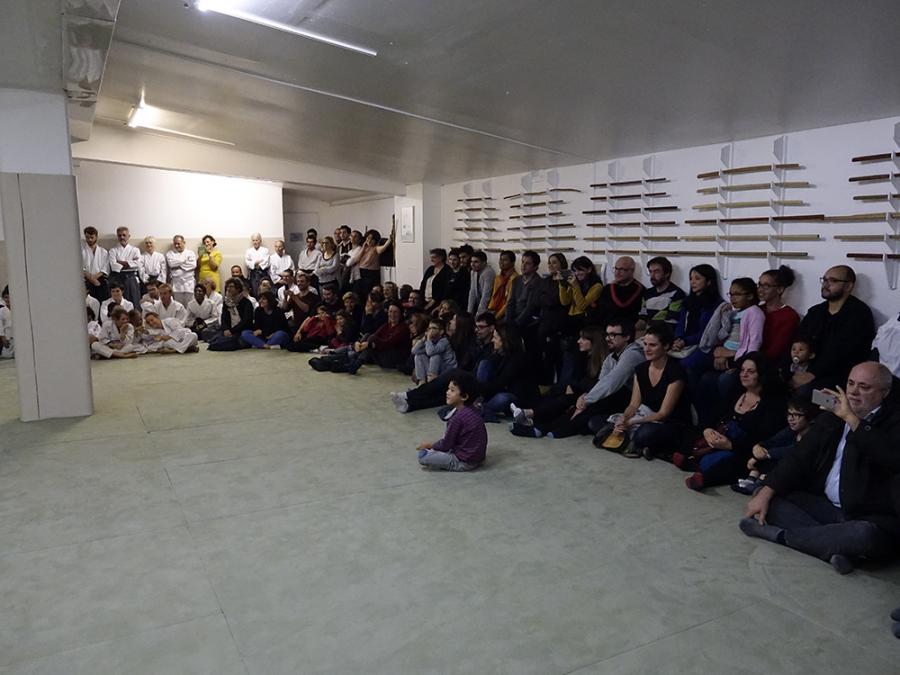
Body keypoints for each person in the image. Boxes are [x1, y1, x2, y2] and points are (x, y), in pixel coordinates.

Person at [741, 362, 900, 575]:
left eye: (864, 387)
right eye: (850, 383)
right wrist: (766, 492)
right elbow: (799, 456)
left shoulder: (893, 421)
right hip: (826, 508)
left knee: (864, 536)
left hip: (867, 517)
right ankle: (837, 548)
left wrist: (852, 419)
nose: (853, 392)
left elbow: (889, 455)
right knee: (768, 495)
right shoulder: (833, 416)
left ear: (884, 392)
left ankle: (781, 536)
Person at [513, 319, 645, 439]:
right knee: (576, 399)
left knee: (594, 401)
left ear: (627, 337)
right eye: (607, 334)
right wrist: (584, 397)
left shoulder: (632, 354)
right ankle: (542, 427)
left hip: (632, 402)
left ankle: (546, 428)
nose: (607, 338)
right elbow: (600, 383)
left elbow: (612, 382)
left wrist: (587, 400)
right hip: (612, 396)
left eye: (613, 335)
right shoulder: (611, 357)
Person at [677, 352, 787, 491]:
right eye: (742, 370)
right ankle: (692, 460)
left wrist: (730, 445)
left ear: (762, 374)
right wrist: (707, 430)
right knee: (689, 431)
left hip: (744, 448)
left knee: (738, 461)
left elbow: (764, 439)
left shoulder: (773, 404)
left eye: (750, 371)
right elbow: (714, 414)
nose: (744, 375)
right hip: (721, 435)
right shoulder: (736, 391)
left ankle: (705, 477)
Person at [604, 322, 690, 459]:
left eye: (652, 345)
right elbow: (633, 404)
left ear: (666, 346)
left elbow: (663, 414)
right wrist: (624, 419)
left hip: (670, 422)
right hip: (645, 416)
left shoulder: (675, 372)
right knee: (598, 423)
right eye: (645, 344)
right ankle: (643, 446)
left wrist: (633, 422)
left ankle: (646, 445)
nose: (647, 349)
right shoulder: (641, 369)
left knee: (644, 434)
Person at [391, 312, 495, 414]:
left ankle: (409, 395)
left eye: (481, 327)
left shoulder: (483, 346)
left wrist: (442, 376)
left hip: (469, 379)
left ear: (491, 328)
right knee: (442, 395)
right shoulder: (458, 339)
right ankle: (409, 405)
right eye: (477, 327)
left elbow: (465, 368)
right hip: (457, 376)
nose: (451, 322)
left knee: (449, 379)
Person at [794, 265, 876, 393]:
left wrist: (812, 374)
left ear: (848, 286)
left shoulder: (859, 313)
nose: (826, 284)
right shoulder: (815, 311)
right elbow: (799, 340)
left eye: (833, 281)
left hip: (840, 376)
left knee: (806, 392)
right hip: (807, 367)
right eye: (824, 280)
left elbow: (841, 351)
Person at [732, 396, 818, 495]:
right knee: (767, 452)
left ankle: (761, 483)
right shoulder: (790, 430)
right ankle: (752, 480)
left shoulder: (814, 435)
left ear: (811, 418)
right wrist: (758, 447)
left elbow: (795, 450)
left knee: (781, 459)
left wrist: (766, 454)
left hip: (804, 475)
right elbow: (772, 441)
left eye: (796, 415)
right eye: (789, 414)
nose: (790, 418)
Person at [417, 374, 488, 472]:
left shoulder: (457, 418)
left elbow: (446, 445)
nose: (447, 392)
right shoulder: (474, 409)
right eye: (448, 389)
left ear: (464, 396)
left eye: (452, 390)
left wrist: (430, 445)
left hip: (464, 461)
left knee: (423, 456)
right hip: (478, 457)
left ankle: (450, 462)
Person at [479, 322, 536, 423]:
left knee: (503, 398)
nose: (492, 340)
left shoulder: (518, 359)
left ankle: (481, 407)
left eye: (495, 338)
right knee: (484, 364)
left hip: (516, 398)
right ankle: (480, 403)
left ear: (504, 340)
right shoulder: (500, 354)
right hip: (498, 390)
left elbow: (501, 383)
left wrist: (477, 388)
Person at [672, 263, 724, 359]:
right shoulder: (687, 301)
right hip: (683, 342)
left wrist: (686, 341)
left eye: (697, 278)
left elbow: (707, 332)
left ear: (708, 281)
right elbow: (681, 323)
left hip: (703, 345)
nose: (692, 282)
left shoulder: (715, 304)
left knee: (687, 363)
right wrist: (678, 338)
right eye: (691, 279)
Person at [346, 302, 411, 374]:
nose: (392, 314)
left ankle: (355, 362)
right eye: (390, 311)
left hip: (394, 359)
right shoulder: (387, 325)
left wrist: (369, 344)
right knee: (367, 336)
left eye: (395, 312)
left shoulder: (403, 328)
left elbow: (388, 343)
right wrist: (361, 344)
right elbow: (372, 335)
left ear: (400, 314)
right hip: (383, 354)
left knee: (369, 346)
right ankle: (353, 360)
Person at [758, 265, 799, 364]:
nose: (760, 289)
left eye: (766, 286)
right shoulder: (757, 310)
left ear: (780, 289)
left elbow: (776, 350)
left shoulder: (789, 315)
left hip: (771, 363)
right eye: (759, 285)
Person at [505, 250, 543, 357]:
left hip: (529, 320)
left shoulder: (538, 282)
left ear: (535, 267)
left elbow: (530, 307)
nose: (523, 265)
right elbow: (510, 302)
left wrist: (515, 323)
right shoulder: (516, 280)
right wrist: (508, 320)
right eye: (522, 262)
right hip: (515, 317)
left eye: (528, 263)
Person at [594, 256, 644, 327]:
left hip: (628, 329)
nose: (617, 273)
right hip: (606, 328)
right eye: (616, 268)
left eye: (622, 269)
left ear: (632, 271)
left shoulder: (640, 290)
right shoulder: (607, 288)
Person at [208, 278, 254, 351]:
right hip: (229, 330)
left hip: (241, 331)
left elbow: (246, 321)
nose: (228, 289)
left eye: (231, 287)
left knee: (234, 341)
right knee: (213, 340)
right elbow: (224, 318)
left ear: (238, 289)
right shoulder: (226, 302)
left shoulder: (247, 303)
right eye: (227, 287)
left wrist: (232, 331)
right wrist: (226, 329)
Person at [639, 256, 685, 326]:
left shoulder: (677, 294)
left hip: (664, 331)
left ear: (667, 273)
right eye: (650, 271)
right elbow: (643, 317)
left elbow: (671, 321)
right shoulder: (647, 293)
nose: (652, 275)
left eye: (656, 271)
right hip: (647, 331)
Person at [412, 317, 458, 384]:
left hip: (447, 371)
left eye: (434, 328)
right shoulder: (432, 341)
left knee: (435, 356)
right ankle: (422, 382)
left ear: (441, 332)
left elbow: (430, 352)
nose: (431, 331)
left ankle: (431, 382)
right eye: (429, 328)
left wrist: (428, 339)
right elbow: (414, 351)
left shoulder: (444, 341)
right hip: (437, 369)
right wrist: (423, 339)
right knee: (418, 356)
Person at [352, 226, 394, 299]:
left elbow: (383, 248)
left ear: (375, 240)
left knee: (369, 293)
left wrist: (390, 240)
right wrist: (363, 248)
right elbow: (357, 258)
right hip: (361, 272)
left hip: (371, 273)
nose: (369, 240)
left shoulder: (376, 248)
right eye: (367, 238)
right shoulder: (364, 248)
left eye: (371, 239)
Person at [108, 226, 143, 307]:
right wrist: (130, 263)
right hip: (118, 278)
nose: (122, 237)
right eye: (119, 235)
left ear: (128, 236)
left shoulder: (135, 250)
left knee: (134, 301)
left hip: (131, 277)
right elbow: (113, 266)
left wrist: (120, 262)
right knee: (119, 302)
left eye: (124, 235)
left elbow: (138, 264)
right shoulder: (113, 250)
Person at [165, 235, 198, 307]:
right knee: (178, 306)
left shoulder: (190, 253)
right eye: (175, 244)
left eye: (178, 243)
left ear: (184, 242)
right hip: (177, 284)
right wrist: (185, 261)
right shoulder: (170, 253)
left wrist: (178, 266)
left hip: (189, 283)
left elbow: (193, 265)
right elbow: (171, 264)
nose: (176, 246)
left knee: (190, 305)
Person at [81, 226, 110, 302]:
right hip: (86, 280)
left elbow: (105, 267)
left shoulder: (103, 252)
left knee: (102, 302)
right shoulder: (81, 251)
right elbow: (80, 267)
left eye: (92, 237)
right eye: (87, 237)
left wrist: (95, 278)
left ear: (96, 237)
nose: (89, 240)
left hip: (100, 280)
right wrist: (91, 278)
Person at [486, 250, 518, 320]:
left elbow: (508, 303)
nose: (501, 262)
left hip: (508, 313)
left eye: (505, 260)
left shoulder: (515, 278)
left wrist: (495, 317)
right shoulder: (498, 278)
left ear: (512, 263)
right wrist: (490, 311)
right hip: (496, 310)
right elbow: (493, 297)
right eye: (500, 259)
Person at [420, 248, 450, 314]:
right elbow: (423, 284)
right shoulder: (430, 269)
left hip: (437, 303)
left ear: (441, 258)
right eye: (431, 257)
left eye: (434, 257)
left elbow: (443, 289)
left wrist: (432, 302)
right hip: (424, 301)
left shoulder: (447, 270)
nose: (431, 260)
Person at [467, 250, 496, 316]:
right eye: (471, 261)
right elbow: (472, 292)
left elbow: (486, 295)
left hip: (488, 308)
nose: (472, 264)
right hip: (478, 304)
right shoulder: (473, 272)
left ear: (484, 263)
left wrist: (479, 314)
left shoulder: (488, 273)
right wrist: (469, 312)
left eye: (476, 262)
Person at [0, 286, 12, 359]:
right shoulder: (2, 310)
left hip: (15, 336)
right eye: (6, 297)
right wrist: (3, 338)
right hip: (6, 337)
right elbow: (0, 326)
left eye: (9, 297)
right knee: (7, 356)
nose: (7, 299)